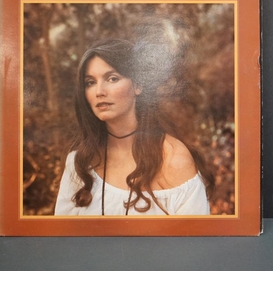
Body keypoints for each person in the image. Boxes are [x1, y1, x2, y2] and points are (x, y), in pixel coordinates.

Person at [54, 38, 214, 216]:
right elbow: (61, 232)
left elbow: (194, 234)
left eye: (112, 79)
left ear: (138, 85)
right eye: (90, 82)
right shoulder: (80, 162)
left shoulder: (174, 159)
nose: (99, 91)